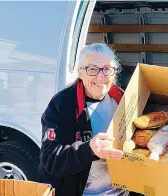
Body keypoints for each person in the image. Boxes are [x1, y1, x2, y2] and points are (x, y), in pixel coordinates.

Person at [38, 43, 131, 196]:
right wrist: (89, 149)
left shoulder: (122, 98)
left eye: (107, 69)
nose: (100, 76)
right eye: (92, 69)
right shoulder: (61, 106)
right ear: (80, 72)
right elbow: (50, 159)